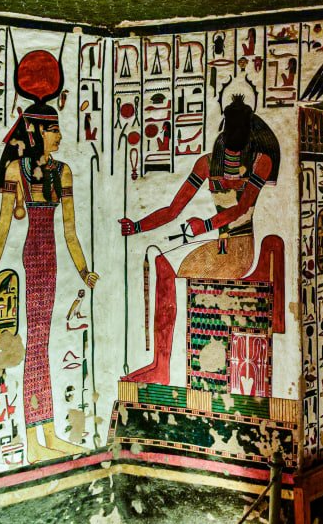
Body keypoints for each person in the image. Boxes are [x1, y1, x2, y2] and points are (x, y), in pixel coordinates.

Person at [0, 51, 98, 462]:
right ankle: (36, 440)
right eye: (54, 130)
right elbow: (2, 231)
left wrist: (84, 271)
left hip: (51, 260)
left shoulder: (63, 172)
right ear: (38, 131)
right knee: (36, 345)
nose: (59, 137)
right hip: (32, 259)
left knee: (42, 343)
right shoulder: (16, 172)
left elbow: (70, 230)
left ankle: (46, 435)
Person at [118, 92, 281, 385]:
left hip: (240, 249)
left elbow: (241, 208)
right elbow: (173, 209)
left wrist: (204, 225)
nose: (235, 133)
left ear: (249, 129)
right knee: (162, 264)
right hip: (219, 246)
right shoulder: (207, 164)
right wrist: (137, 226)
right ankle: (161, 364)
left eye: (240, 128)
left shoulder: (261, 161)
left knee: (171, 270)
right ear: (224, 126)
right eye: (231, 126)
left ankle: (164, 365)